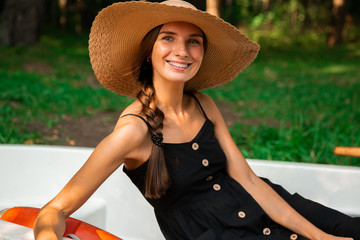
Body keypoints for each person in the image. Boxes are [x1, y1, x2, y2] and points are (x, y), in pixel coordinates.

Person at [33, 1, 360, 239]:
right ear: (149, 50)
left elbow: (247, 179)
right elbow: (55, 210)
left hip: (270, 206)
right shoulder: (133, 131)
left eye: (194, 41)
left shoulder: (203, 104)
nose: (183, 51)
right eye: (168, 38)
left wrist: (319, 236)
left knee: (349, 229)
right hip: (219, 235)